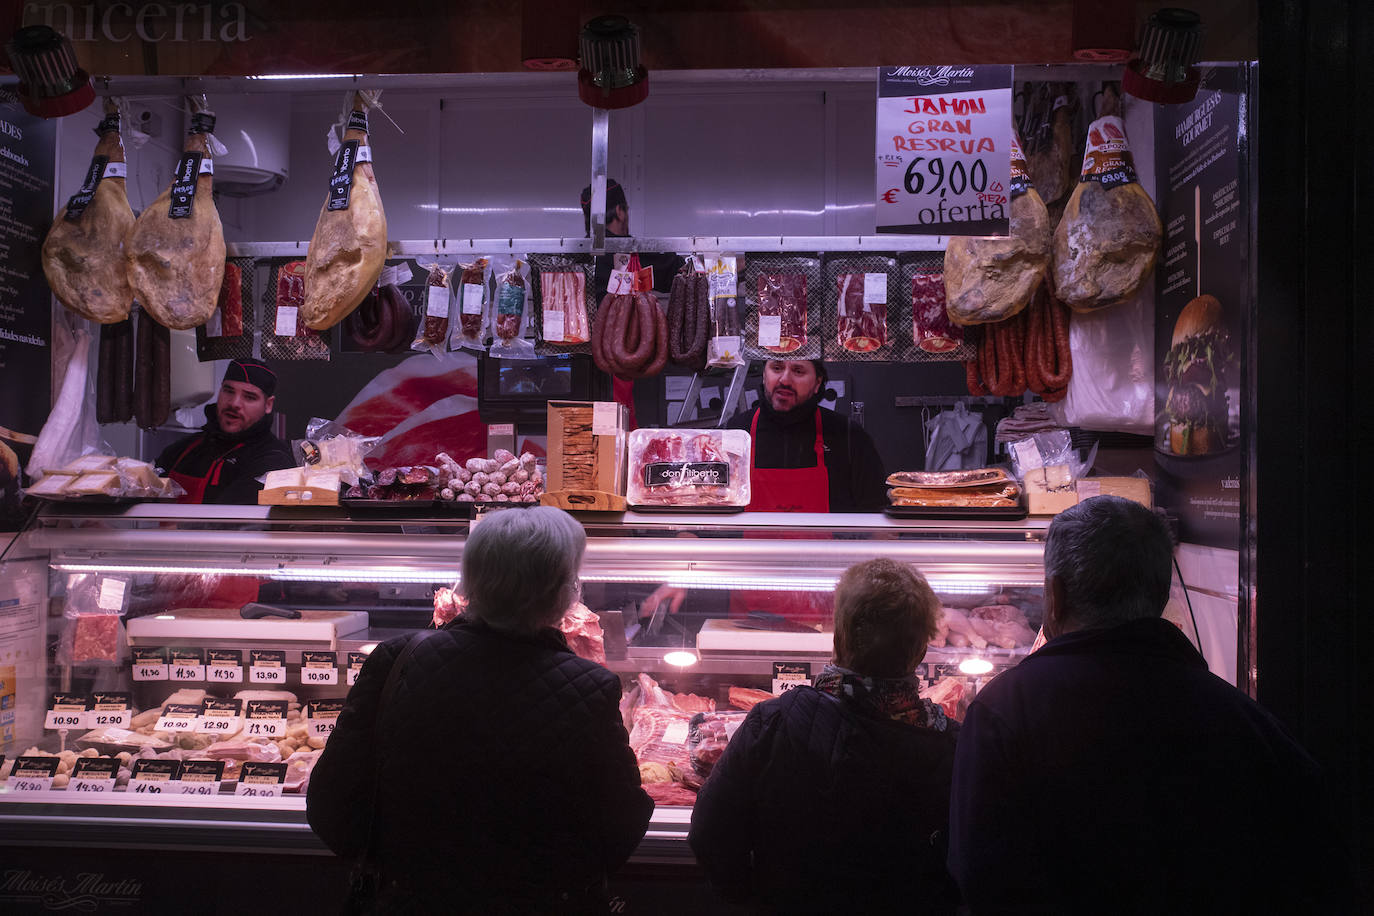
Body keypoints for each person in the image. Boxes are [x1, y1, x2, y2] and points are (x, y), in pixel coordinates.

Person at [947, 495, 1354, 915]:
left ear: (1055, 595)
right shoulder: (1249, 723)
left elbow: (981, 880)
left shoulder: (1003, 713)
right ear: (1161, 595)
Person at [307, 506, 652, 914]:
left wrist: (401, 869)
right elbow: (622, 822)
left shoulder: (397, 659)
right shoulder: (590, 685)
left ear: (470, 581)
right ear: (562, 591)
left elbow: (331, 802)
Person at [689, 558, 961, 915]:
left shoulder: (772, 722)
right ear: (922, 650)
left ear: (839, 636)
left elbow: (710, 835)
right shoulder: (955, 745)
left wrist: (753, 896)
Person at [726, 357, 887, 512]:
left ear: (817, 383)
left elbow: (877, 515)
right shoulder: (734, 434)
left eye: (798, 371)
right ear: (763, 375)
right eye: (776, 368)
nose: (785, 380)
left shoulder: (849, 436)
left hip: (825, 542)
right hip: (752, 542)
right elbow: (708, 504)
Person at [156, 358, 293, 504]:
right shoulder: (183, 449)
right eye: (229, 391)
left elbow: (233, 522)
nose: (234, 403)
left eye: (249, 397)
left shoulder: (273, 460)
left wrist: (177, 527)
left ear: (268, 405)